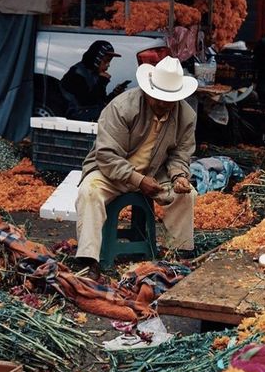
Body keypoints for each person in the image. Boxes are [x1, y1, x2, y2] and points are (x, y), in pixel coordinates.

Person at [75, 55, 198, 279]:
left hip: (154, 172)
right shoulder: (122, 107)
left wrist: (179, 176)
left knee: (187, 195)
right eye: (158, 99)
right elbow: (106, 155)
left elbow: (180, 154)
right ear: (148, 91)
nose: (162, 105)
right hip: (112, 172)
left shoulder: (186, 115)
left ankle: (178, 256)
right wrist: (137, 180)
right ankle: (88, 260)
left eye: (168, 101)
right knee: (89, 192)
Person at [59, 40, 130, 121]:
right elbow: (88, 103)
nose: (108, 65)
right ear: (97, 58)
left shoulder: (94, 74)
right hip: (72, 116)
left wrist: (114, 94)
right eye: (106, 61)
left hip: (85, 113)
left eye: (109, 61)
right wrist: (102, 82)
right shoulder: (77, 74)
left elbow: (101, 101)